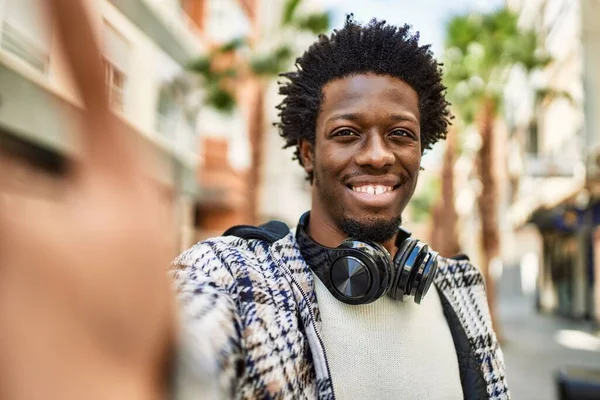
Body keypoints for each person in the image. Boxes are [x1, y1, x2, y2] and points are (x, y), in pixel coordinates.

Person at [172, 16, 509, 400]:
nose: (378, 156)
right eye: (347, 133)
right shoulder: (232, 277)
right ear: (309, 153)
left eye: (400, 134)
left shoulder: (460, 286)